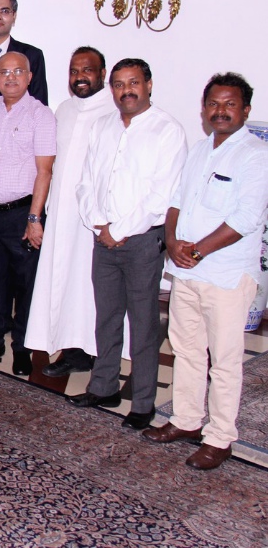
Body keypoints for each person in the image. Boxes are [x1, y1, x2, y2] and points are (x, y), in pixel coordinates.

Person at [143, 73, 268, 470]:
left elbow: (246, 218)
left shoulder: (255, 156)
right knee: (188, 350)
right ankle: (185, 421)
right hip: (188, 272)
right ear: (204, 109)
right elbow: (176, 203)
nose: (220, 111)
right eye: (214, 104)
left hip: (227, 276)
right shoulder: (199, 151)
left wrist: (196, 250)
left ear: (245, 110)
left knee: (226, 359)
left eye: (230, 104)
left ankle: (220, 438)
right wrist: (173, 241)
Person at [69, 58, 187, 430]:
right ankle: (103, 386)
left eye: (133, 82)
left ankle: (144, 402)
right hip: (103, 239)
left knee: (143, 323)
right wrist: (98, 223)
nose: (126, 90)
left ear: (149, 84)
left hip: (140, 242)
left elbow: (162, 194)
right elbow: (86, 182)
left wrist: (119, 230)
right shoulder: (103, 126)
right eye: (119, 84)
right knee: (105, 318)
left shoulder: (167, 130)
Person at [26, 47, 119, 377]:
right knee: (62, 282)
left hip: (95, 219)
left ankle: (92, 351)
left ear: (102, 73)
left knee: (88, 287)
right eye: (74, 70)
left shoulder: (115, 110)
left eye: (88, 70)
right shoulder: (63, 110)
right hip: (62, 215)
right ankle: (69, 346)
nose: (80, 76)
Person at [0, 52, 56, 375]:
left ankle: (22, 348)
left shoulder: (41, 115)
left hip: (23, 214)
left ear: (29, 77)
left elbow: (44, 171)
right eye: (4, 72)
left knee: (25, 285)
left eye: (18, 71)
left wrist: (35, 219)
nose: (10, 77)